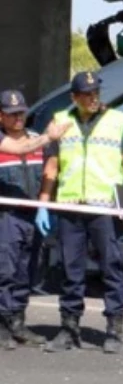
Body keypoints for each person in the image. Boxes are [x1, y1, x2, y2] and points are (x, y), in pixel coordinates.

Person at [39, 71, 123, 355]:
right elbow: (52, 165)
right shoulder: (60, 121)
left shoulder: (117, 121)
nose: (93, 97)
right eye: (87, 94)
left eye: (96, 92)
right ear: (74, 97)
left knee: (112, 267)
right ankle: (69, 328)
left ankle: (114, 329)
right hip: (71, 205)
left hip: (105, 207)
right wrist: (44, 202)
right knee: (71, 270)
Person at [0, 90, 62, 349]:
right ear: (1, 116)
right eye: (12, 114)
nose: (18, 118)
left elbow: (51, 168)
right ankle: (2, 324)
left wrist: (45, 205)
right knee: (5, 270)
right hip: (7, 216)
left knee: (28, 269)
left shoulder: (36, 138)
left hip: (32, 214)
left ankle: (18, 321)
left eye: (21, 113)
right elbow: (19, 148)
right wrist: (50, 136)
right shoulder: (4, 140)